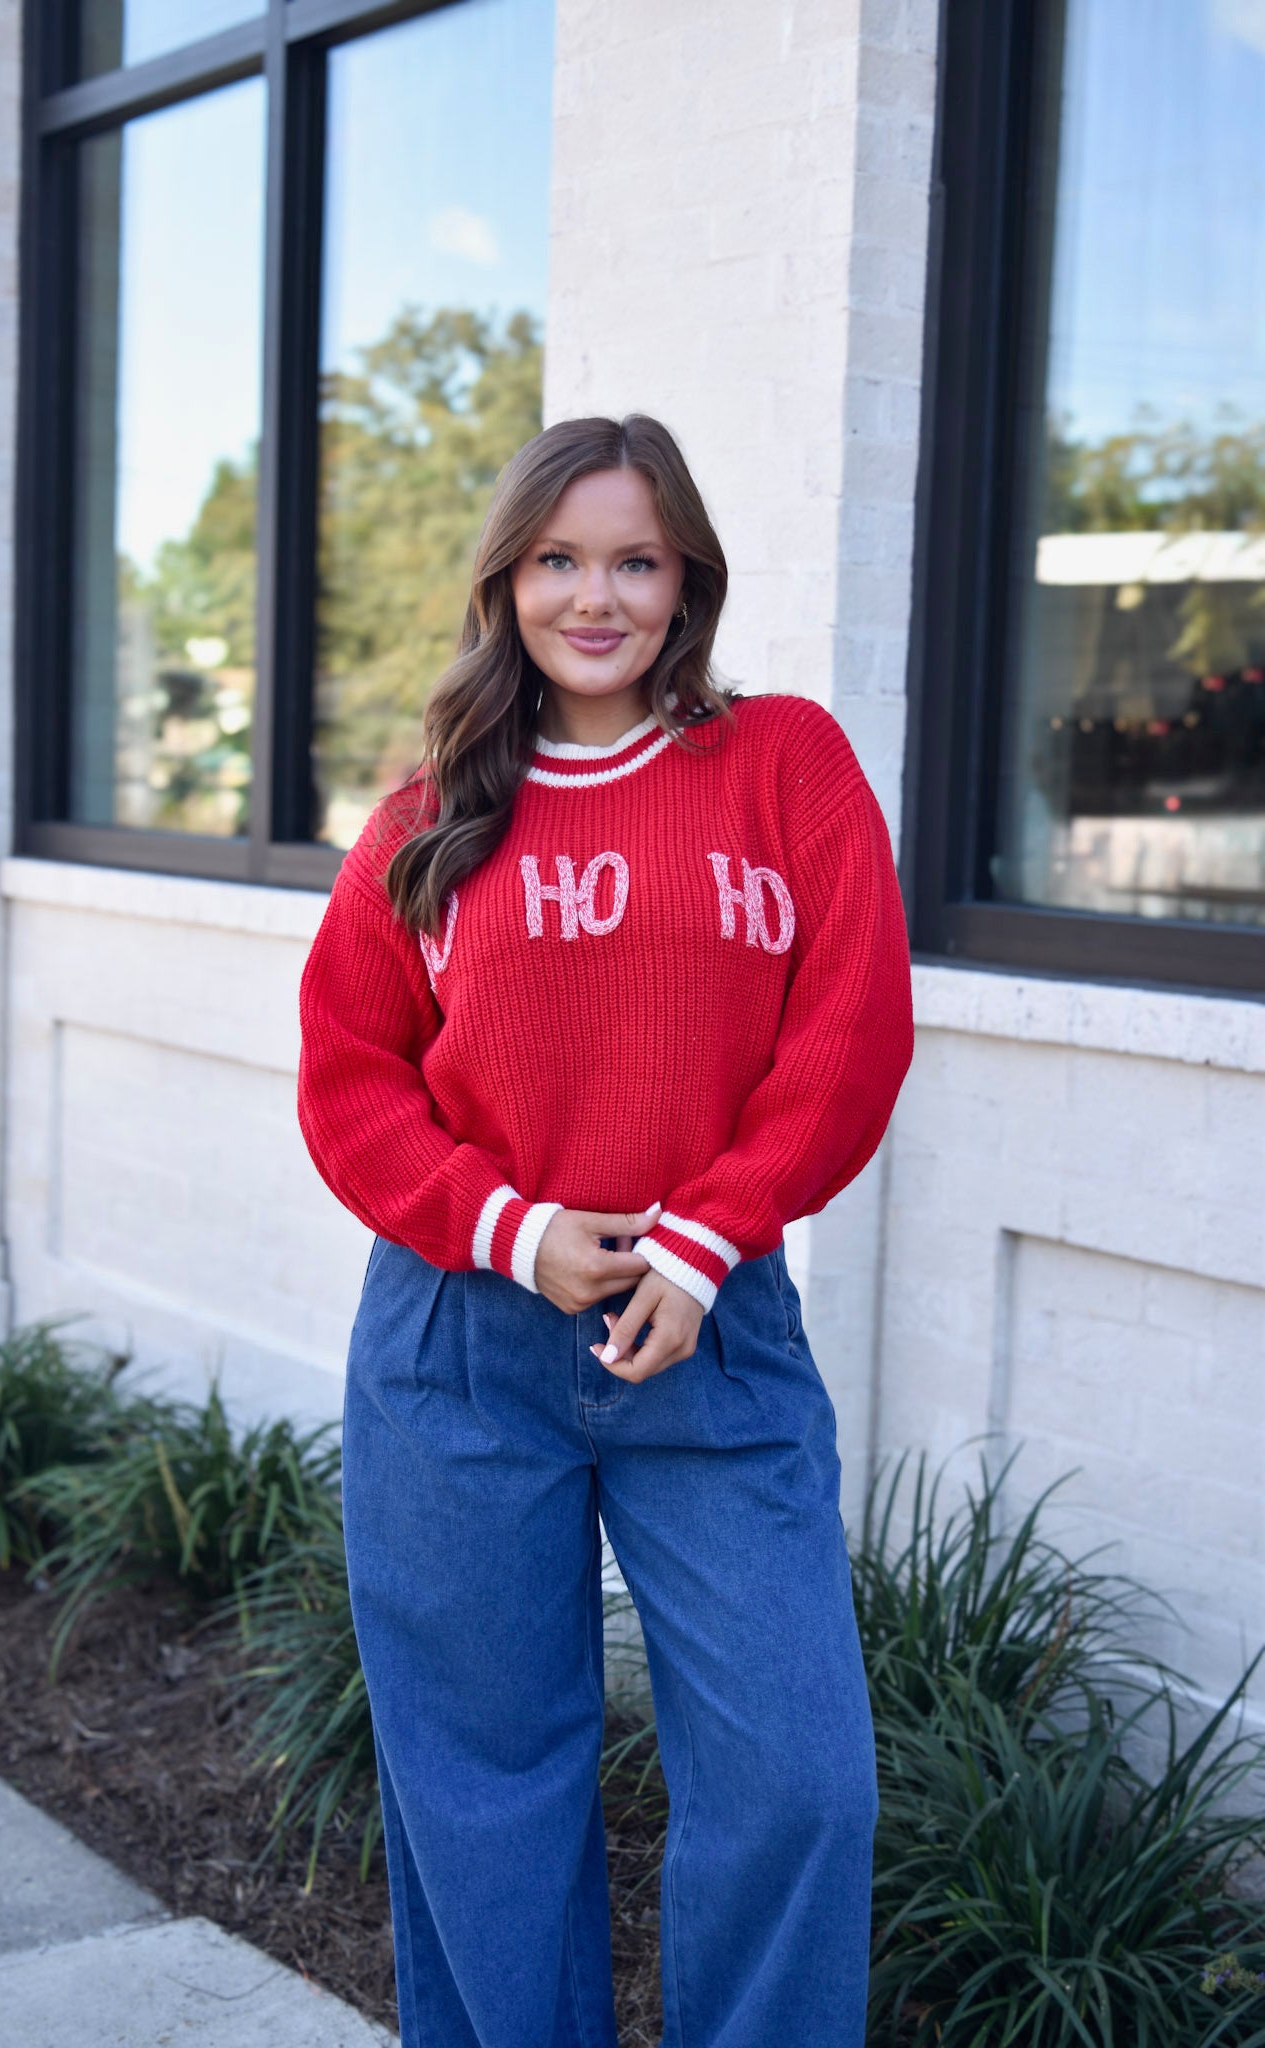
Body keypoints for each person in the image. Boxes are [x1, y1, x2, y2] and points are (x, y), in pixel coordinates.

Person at [296, 412, 914, 2048]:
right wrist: (509, 1228)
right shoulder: (428, 817)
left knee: (798, 1783)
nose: (596, 597)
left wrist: (706, 1238)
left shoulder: (783, 765)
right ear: (506, 580)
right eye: (560, 559)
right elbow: (349, 1084)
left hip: (708, 1336)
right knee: (489, 1805)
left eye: (633, 560)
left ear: (683, 578)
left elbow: (847, 1037)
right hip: (460, 1342)